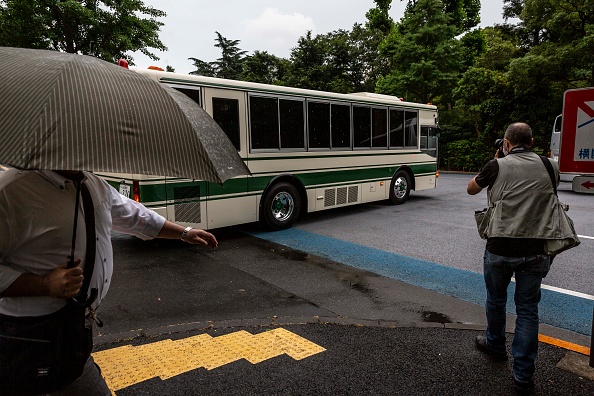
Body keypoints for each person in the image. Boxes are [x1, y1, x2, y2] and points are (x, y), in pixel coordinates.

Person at [0, 169, 218, 395]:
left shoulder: (92, 183)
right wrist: (44, 284)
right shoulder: (10, 191)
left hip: (73, 333)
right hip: (26, 338)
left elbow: (135, 216)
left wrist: (185, 233)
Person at [467, 122, 559, 394]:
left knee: (496, 299)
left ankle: (495, 345)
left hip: (500, 248)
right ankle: (522, 377)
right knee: (528, 310)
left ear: (506, 143)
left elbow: (471, 188)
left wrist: (496, 161)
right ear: (531, 141)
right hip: (536, 249)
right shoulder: (549, 165)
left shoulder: (496, 166)